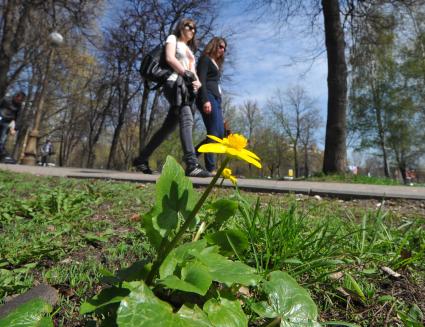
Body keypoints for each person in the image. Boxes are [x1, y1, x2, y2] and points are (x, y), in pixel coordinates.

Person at [133, 18, 211, 177]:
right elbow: (169, 58)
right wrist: (185, 73)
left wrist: (197, 83)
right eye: (189, 26)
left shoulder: (189, 50)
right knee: (187, 119)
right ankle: (191, 164)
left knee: (167, 128)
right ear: (181, 27)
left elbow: (193, 71)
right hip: (174, 84)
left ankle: (142, 159)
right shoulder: (172, 39)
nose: (192, 30)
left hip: (186, 88)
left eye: (195, 28)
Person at [195, 37, 227, 174]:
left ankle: (192, 155)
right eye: (220, 46)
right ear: (214, 45)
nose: (223, 50)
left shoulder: (216, 64)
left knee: (220, 135)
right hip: (208, 96)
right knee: (213, 133)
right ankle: (211, 167)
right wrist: (205, 100)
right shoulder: (205, 59)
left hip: (217, 99)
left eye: (224, 48)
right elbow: (200, 79)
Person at [0, 91, 26, 162]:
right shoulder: (6, 99)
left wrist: (14, 128)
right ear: (16, 96)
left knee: (2, 138)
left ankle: (1, 154)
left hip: (8, 121)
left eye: (21, 100)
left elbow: (18, 116)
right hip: (1, 117)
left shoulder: (19, 105)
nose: (18, 101)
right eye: (18, 99)